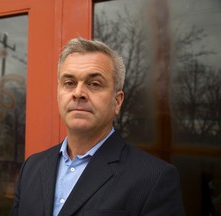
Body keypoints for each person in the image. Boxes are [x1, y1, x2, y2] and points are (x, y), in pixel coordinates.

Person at [10, 37, 185, 216]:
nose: (78, 93)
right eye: (69, 83)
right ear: (58, 94)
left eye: (94, 84)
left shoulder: (154, 179)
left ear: (117, 101)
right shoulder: (31, 167)